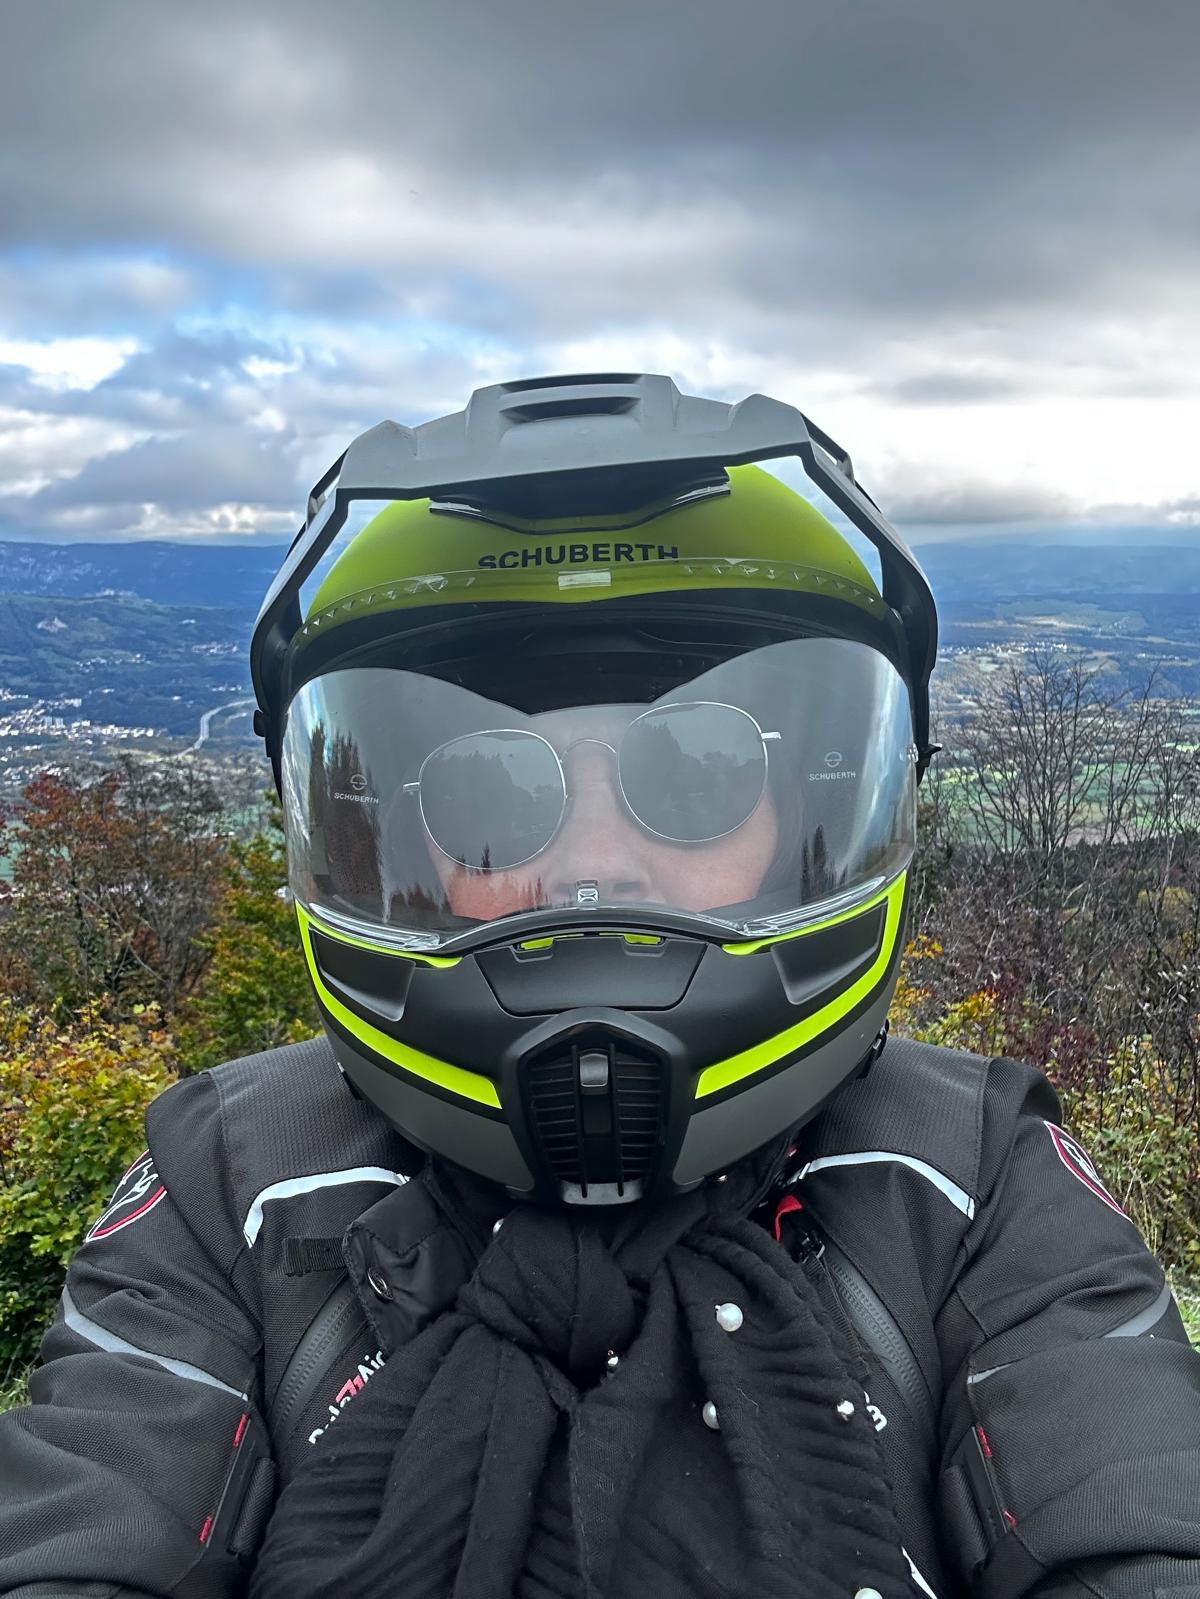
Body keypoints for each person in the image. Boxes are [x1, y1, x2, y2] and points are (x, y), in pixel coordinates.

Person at [0, 373, 1197, 1599]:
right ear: (393, 841)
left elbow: (1130, 1497)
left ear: (811, 804)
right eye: (489, 794)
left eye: (697, 774)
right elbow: (89, 1519)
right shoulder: (233, 1177)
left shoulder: (972, 1171)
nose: (593, 865)